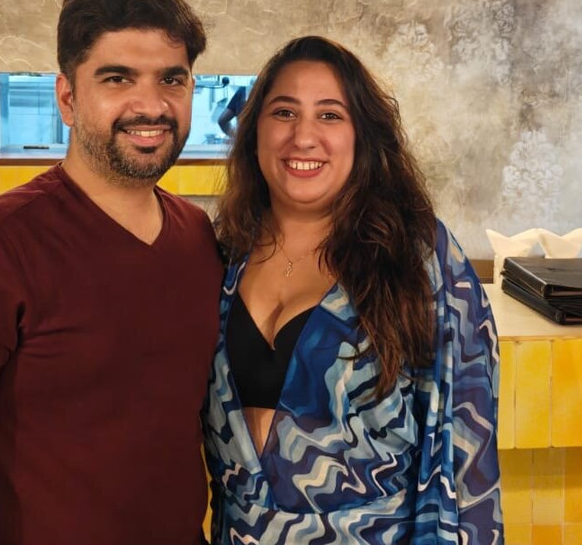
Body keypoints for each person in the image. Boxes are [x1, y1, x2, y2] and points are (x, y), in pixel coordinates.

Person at [0, 0, 223, 545]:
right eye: (117, 78)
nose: (151, 105)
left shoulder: (198, 237)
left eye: (172, 79)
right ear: (68, 98)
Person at [203, 36, 502, 543]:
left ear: (362, 135)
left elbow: (464, 459)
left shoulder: (420, 258)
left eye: (329, 115)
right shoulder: (221, 256)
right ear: (254, 132)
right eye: (284, 112)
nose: (303, 137)